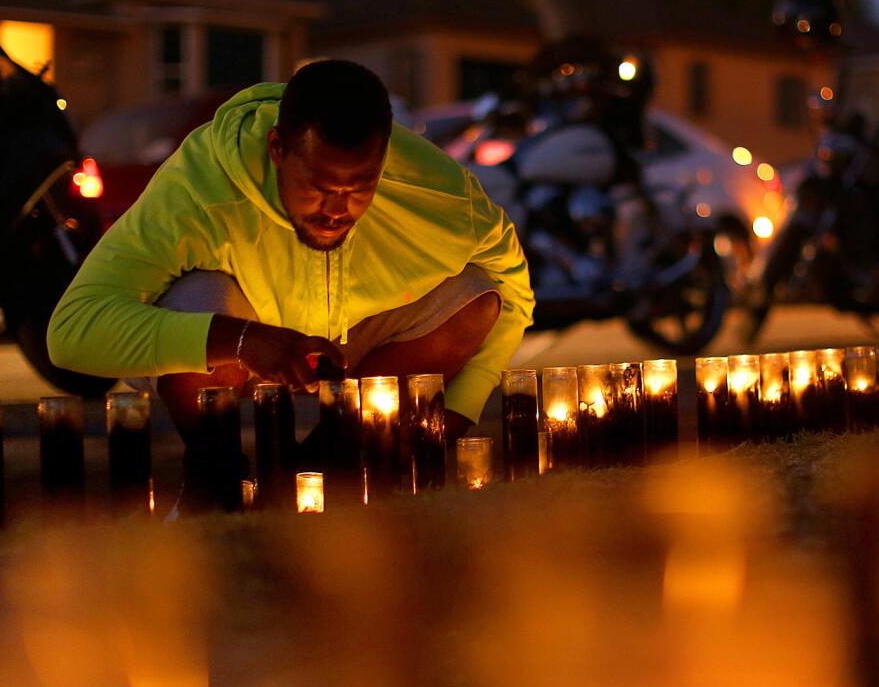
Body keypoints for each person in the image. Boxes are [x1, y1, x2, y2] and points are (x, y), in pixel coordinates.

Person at [47, 59, 534, 476]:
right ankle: (219, 475)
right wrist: (241, 339)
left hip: (350, 346)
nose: (336, 208)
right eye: (318, 184)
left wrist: (459, 407)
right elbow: (71, 332)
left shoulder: (437, 190)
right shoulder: (198, 190)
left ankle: (336, 461)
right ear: (278, 149)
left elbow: (513, 291)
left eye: (359, 187)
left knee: (476, 294)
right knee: (199, 299)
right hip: (238, 344)